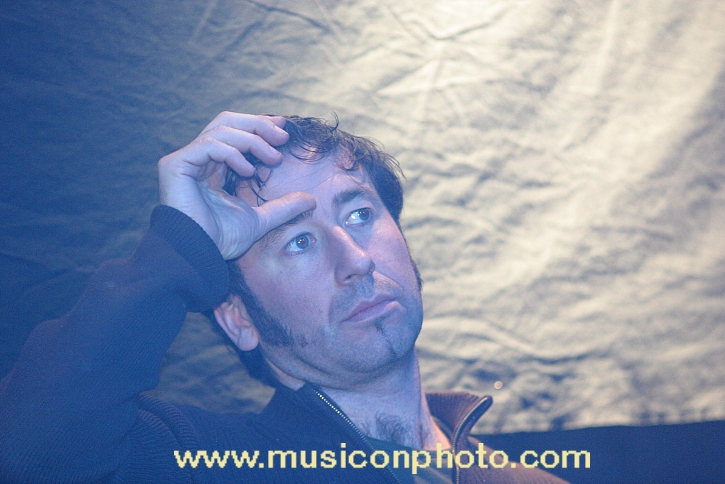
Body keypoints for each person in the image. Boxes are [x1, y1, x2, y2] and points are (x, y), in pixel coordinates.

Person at [0, 112, 567, 483]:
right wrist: (179, 243)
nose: (356, 259)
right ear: (239, 319)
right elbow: (30, 450)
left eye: (360, 214)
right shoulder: (200, 464)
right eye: (298, 242)